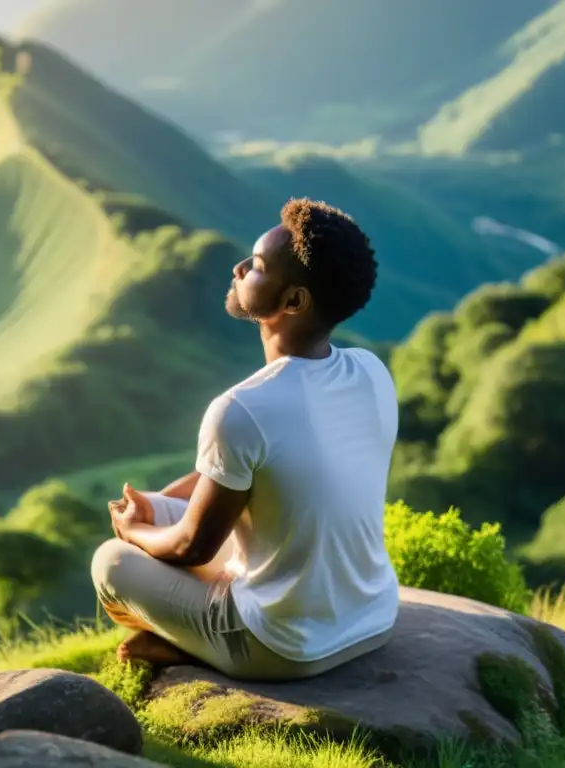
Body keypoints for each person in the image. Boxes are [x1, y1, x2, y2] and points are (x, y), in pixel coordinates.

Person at [90, 197, 399, 680]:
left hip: (285, 648)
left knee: (111, 562)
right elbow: (261, 466)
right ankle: (201, 623)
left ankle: (202, 647)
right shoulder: (372, 371)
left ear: (293, 301)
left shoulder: (240, 408)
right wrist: (159, 504)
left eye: (255, 266)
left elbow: (194, 547)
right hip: (374, 620)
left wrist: (134, 534)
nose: (237, 268)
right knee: (161, 511)